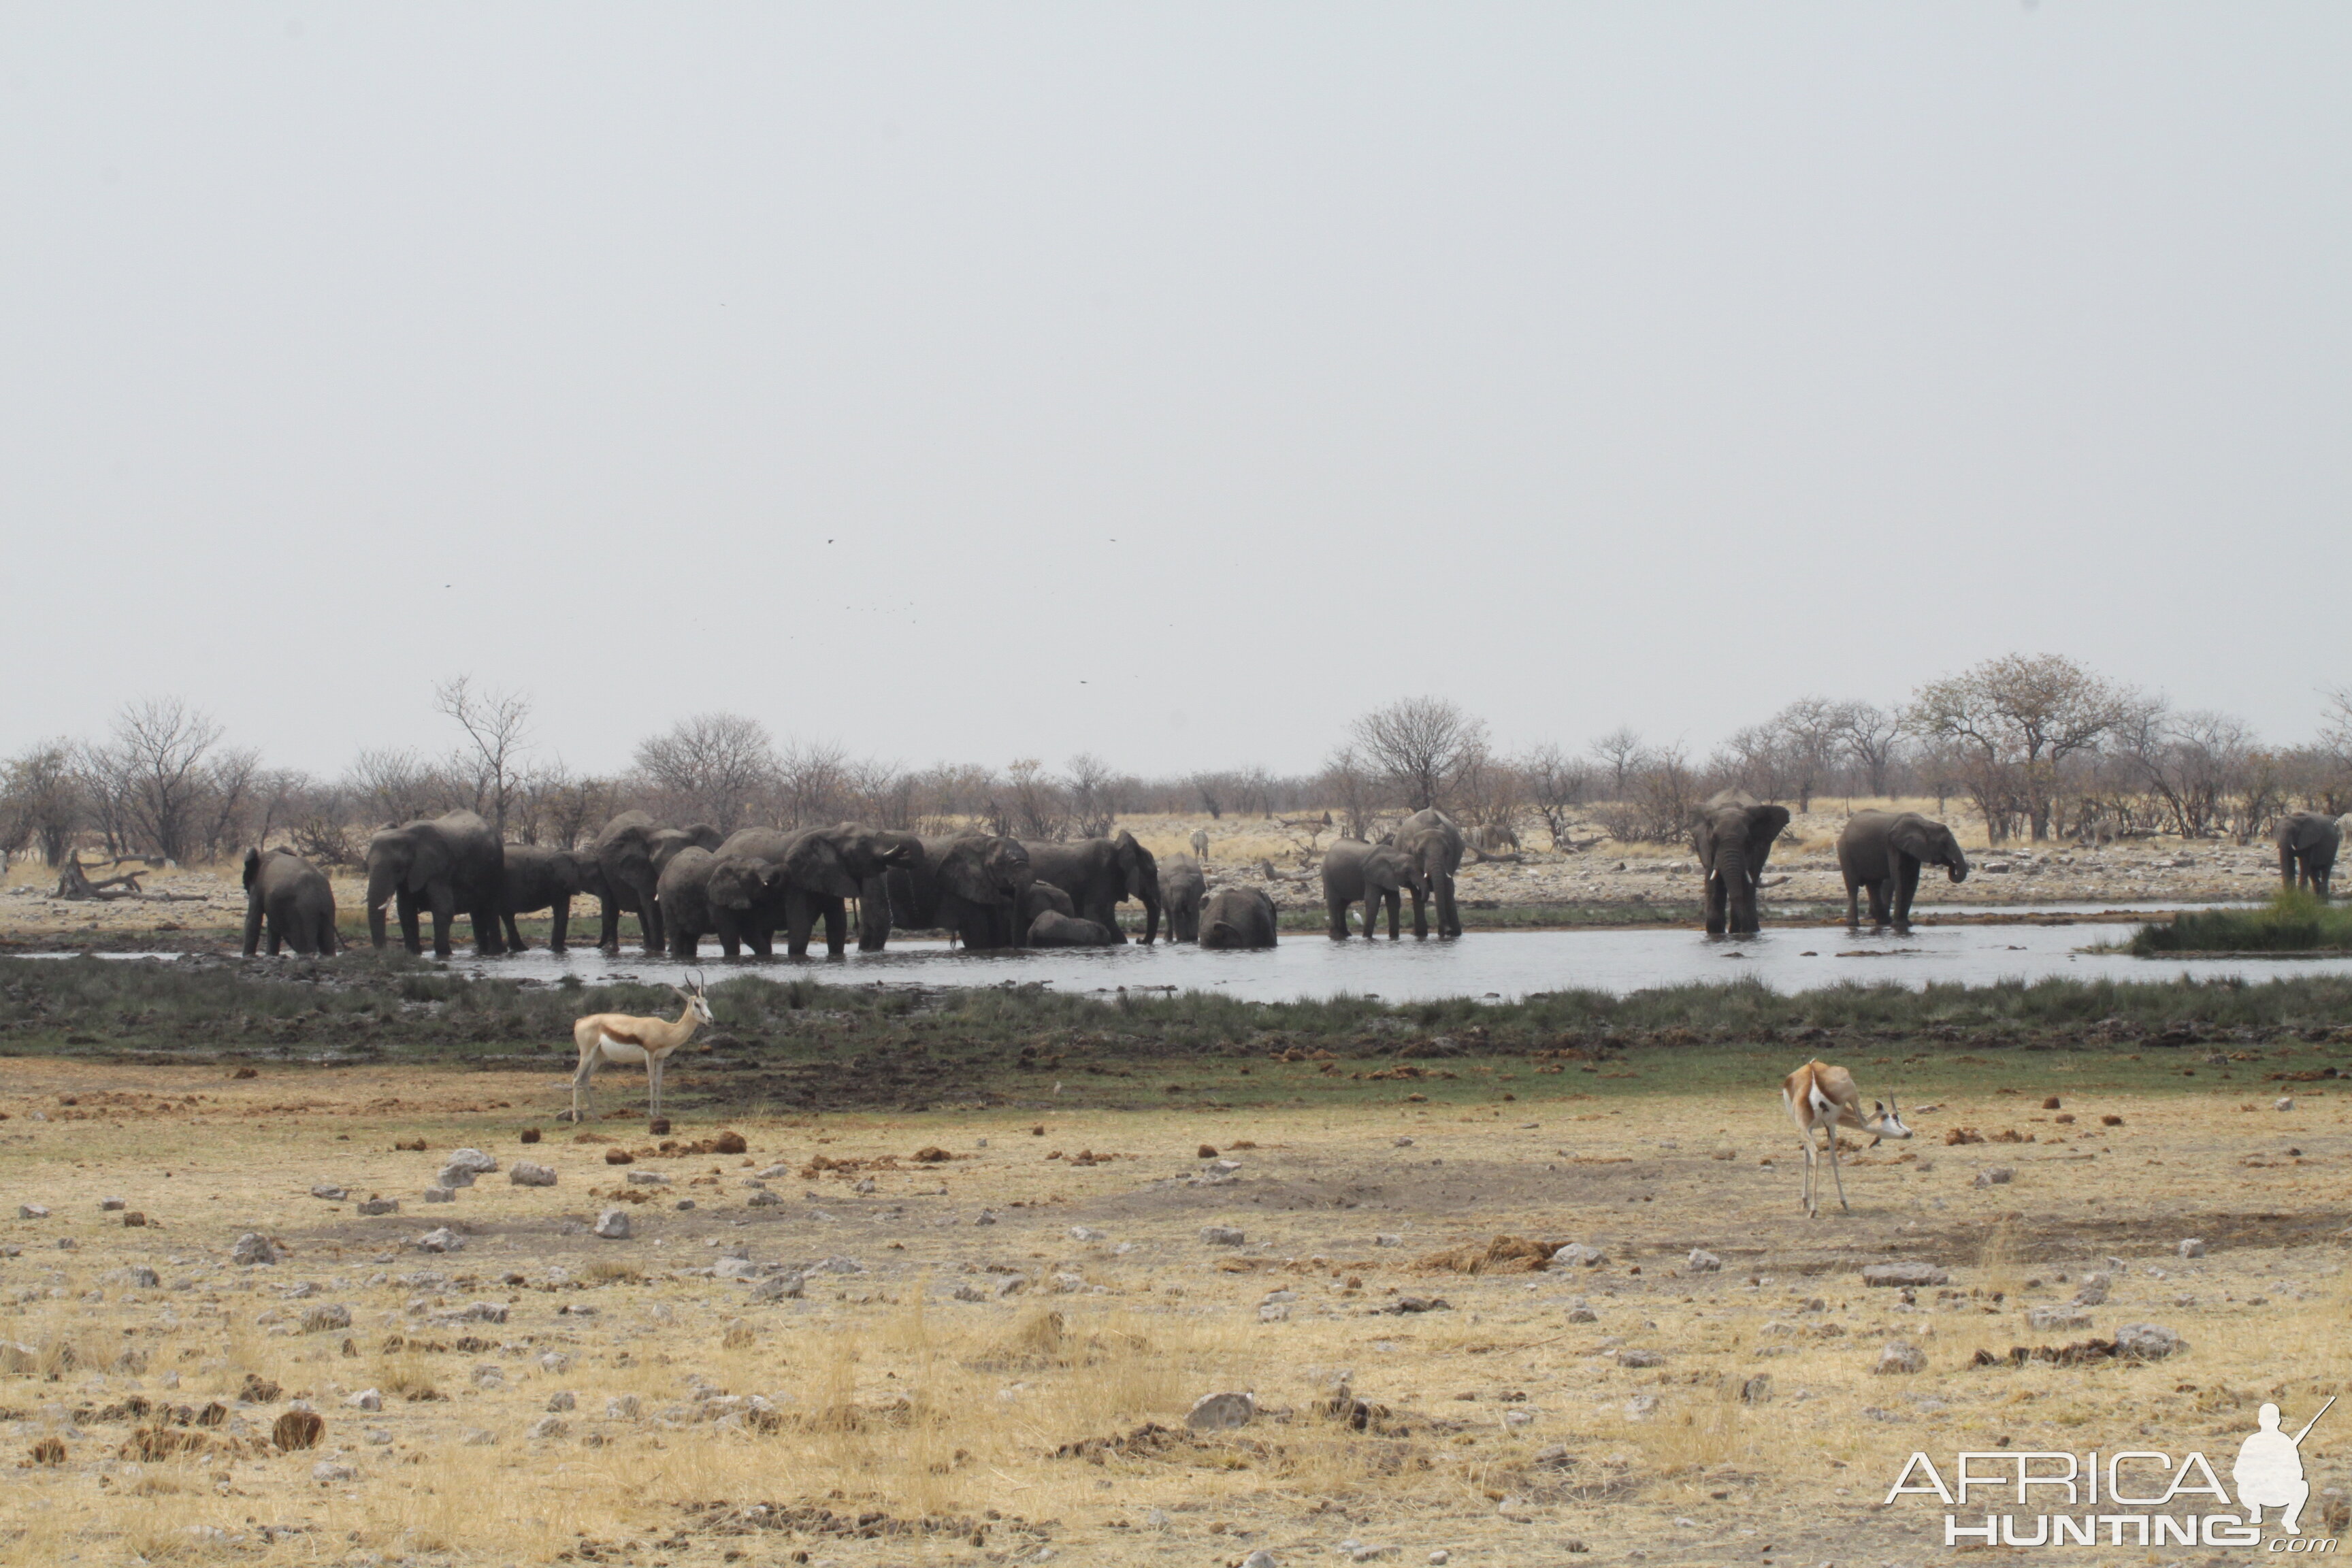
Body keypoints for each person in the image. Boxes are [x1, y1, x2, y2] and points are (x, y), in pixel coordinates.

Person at [2234, 1403, 2312, 1534]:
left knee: (2302, 1486)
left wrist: (2281, 1473)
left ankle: (2289, 1520)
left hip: (2279, 1492)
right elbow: (2238, 1473)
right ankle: (2255, 1510)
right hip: (2256, 1492)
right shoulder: (2252, 1441)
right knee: (2243, 1485)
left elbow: (2298, 1473)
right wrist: (2258, 1475)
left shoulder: (2285, 1442)